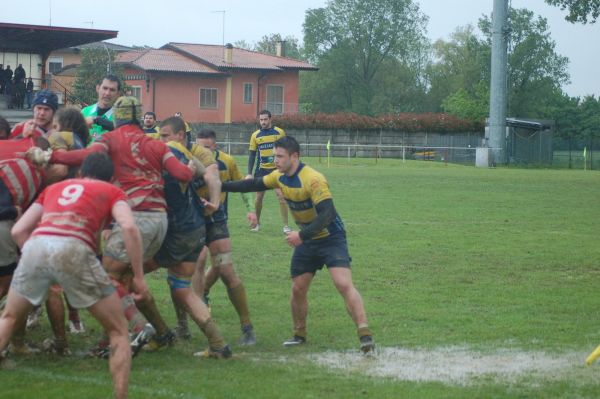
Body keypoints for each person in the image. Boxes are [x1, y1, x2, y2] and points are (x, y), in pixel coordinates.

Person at [47, 96, 198, 349]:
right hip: (159, 222)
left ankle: (135, 329)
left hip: (134, 217)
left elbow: (85, 156)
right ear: (140, 117)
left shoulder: (109, 139)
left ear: (117, 117)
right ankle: (159, 334)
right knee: (124, 279)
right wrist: (191, 168)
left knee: (106, 277)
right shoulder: (156, 144)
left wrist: (53, 157)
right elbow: (182, 174)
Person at [0, 152, 148, 399]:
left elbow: (18, 230)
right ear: (111, 178)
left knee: (9, 317)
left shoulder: (55, 187)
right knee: (118, 331)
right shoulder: (112, 191)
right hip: (75, 247)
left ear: (79, 173)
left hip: (37, 244)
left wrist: (39, 261)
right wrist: (140, 277)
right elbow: (130, 227)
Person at [222, 136, 375, 353]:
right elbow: (252, 183)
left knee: (342, 283)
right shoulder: (279, 177)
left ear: (295, 156)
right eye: (275, 156)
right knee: (298, 288)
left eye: (280, 156)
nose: (275, 160)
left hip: (331, 237)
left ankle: (364, 334)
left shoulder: (313, 179)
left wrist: (301, 236)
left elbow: (328, 214)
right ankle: (299, 334)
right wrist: (221, 185)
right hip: (307, 239)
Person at [145, 117, 232, 358]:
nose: (160, 140)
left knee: (126, 274)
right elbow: (209, 176)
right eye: (159, 135)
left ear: (180, 135)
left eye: (164, 135)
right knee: (181, 286)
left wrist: (214, 202)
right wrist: (214, 204)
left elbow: (212, 175)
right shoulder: (182, 153)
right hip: (195, 228)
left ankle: (159, 333)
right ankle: (217, 343)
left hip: (178, 232)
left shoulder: (165, 151)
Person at [186, 128, 258, 345]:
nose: (202, 151)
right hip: (192, 221)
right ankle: (195, 321)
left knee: (224, 269)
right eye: (199, 147)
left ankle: (247, 327)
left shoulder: (226, 162)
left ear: (214, 146)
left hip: (216, 220)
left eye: (206, 147)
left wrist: (251, 209)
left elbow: (242, 186)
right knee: (197, 264)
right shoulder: (185, 161)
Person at [246, 110, 289, 233]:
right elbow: (252, 155)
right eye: (261, 120)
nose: (263, 122)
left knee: (281, 196)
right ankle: (257, 224)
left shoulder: (280, 133)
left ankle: (286, 226)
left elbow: (286, 151)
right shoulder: (255, 135)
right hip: (261, 170)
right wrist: (249, 172)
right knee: (259, 197)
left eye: (265, 119)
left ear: (270, 119)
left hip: (277, 170)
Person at [81, 74, 120, 143]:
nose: (107, 93)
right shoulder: (84, 112)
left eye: (112, 90)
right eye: (105, 88)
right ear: (98, 88)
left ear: (118, 94)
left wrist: (96, 120)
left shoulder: (121, 117)